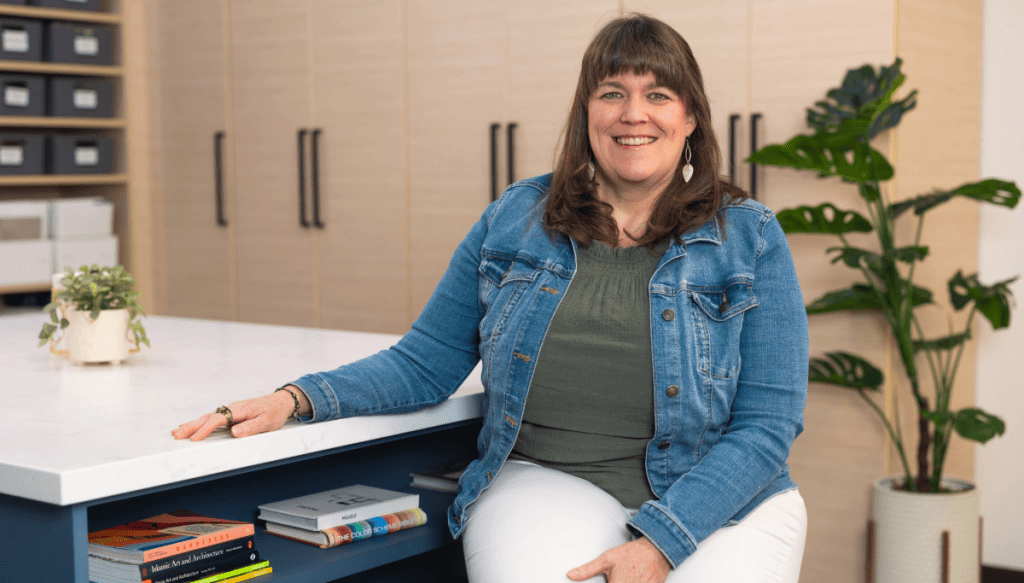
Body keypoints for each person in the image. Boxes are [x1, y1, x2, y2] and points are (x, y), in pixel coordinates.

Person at [173, 13, 809, 583]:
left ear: (690, 117)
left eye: (658, 95)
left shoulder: (748, 236)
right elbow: (426, 361)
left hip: (717, 498)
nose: (632, 114)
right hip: (549, 478)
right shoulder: (517, 218)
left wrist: (664, 542)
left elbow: (767, 426)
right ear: (587, 113)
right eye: (611, 93)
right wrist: (298, 397)